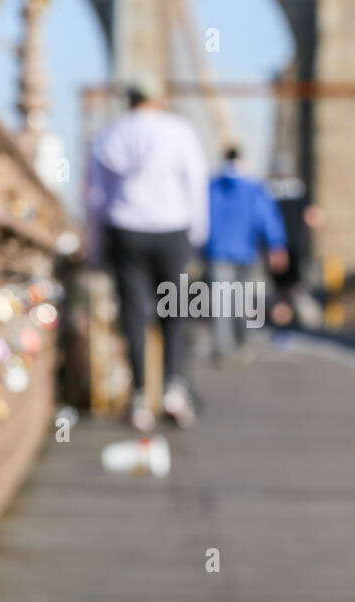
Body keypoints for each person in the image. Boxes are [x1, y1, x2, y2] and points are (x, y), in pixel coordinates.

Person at [86, 75, 208, 431]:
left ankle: (140, 396)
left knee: (133, 312)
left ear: (130, 100)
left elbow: (95, 197)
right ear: (160, 99)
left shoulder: (111, 134)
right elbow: (195, 181)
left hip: (125, 229)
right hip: (172, 228)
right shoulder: (180, 131)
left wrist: (95, 247)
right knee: (177, 310)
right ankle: (173, 387)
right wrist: (196, 233)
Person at [206, 146, 289, 362]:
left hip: (218, 251)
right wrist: (276, 244)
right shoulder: (253, 187)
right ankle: (241, 344)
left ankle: (223, 349)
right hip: (246, 251)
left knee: (222, 301)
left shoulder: (212, 186)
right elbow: (266, 217)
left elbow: (201, 218)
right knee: (242, 301)